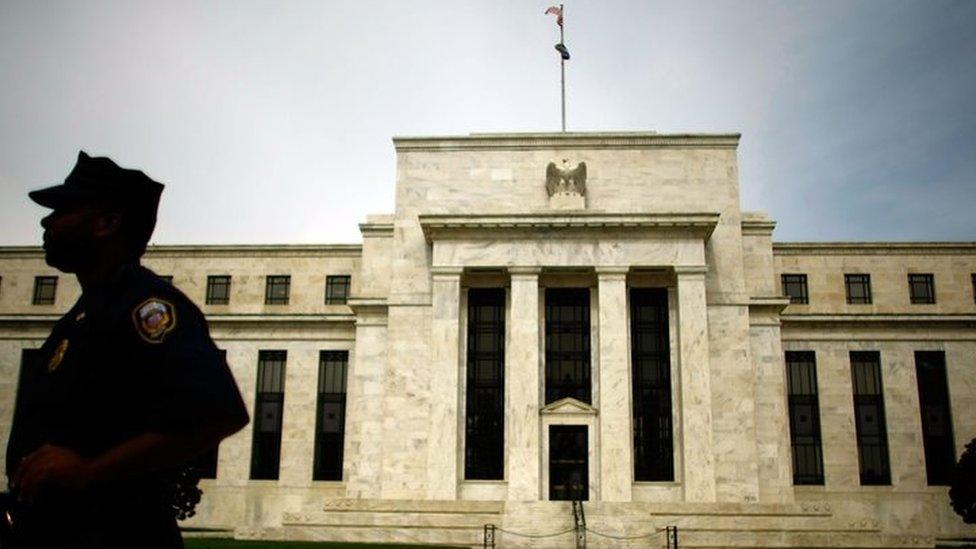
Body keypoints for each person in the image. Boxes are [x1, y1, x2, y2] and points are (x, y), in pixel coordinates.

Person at [4, 151, 250, 548]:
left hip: (114, 534)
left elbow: (218, 413)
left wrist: (89, 471)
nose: (47, 221)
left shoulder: (145, 307)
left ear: (106, 223)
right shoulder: (84, 315)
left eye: (64, 210)